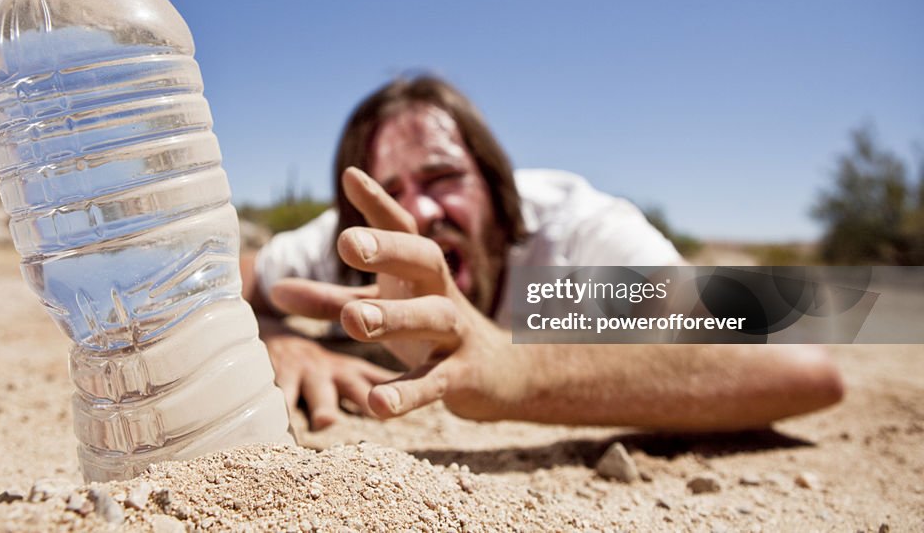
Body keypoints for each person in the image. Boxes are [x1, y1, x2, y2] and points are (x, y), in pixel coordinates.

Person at [241, 74, 844, 430]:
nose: (418, 212)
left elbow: (799, 360)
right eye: (391, 190)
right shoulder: (365, 243)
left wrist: (515, 369)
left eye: (443, 176)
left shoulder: (574, 244)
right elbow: (214, 286)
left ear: (494, 184)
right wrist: (279, 341)